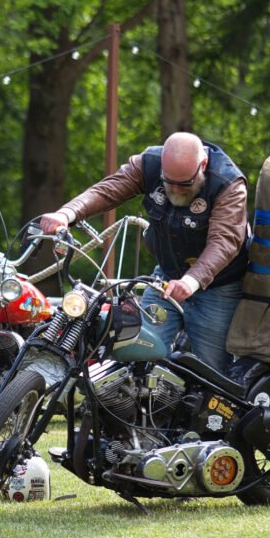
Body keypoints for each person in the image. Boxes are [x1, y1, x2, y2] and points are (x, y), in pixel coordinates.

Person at [39, 132, 249, 375]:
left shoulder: (228, 183)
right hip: (167, 278)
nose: (175, 189)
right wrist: (67, 213)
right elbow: (107, 190)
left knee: (210, 372)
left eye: (185, 184)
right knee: (136, 348)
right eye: (168, 181)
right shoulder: (148, 163)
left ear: (202, 165)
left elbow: (224, 241)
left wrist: (192, 281)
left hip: (218, 286)